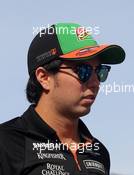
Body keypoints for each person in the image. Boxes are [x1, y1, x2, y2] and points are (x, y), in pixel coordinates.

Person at [0, 23, 125, 175]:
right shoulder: (7, 142)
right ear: (44, 77)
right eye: (82, 71)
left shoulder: (99, 153)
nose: (95, 82)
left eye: (100, 71)